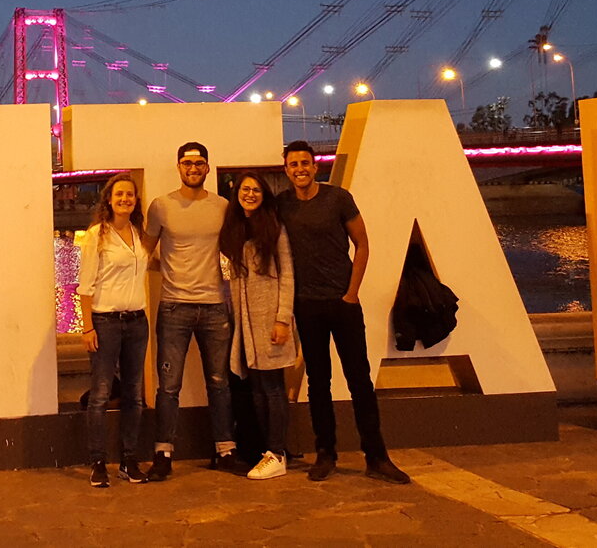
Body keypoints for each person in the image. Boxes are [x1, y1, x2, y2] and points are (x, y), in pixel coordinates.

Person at [276, 139, 410, 484]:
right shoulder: (283, 205)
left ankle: (377, 457)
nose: (300, 169)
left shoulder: (338, 198)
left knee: (360, 381)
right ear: (286, 169)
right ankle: (326, 454)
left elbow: (362, 243)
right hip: (306, 305)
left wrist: (351, 294)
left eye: (305, 163)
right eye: (294, 164)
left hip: (343, 303)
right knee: (318, 383)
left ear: (314, 166)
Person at [143, 141, 239, 480]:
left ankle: (225, 451)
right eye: (187, 164)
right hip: (174, 306)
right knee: (168, 386)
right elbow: (144, 252)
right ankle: (163, 454)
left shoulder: (223, 206)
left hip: (216, 306)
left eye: (199, 164)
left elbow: (237, 249)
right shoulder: (161, 206)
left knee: (220, 383)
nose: (193, 169)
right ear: (178, 167)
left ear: (208, 168)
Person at [75, 174, 152, 488]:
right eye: (119, 194)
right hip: (106, 322)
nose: (125, 199)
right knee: (101, 394)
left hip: (137, 321)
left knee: (134, 394)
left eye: (130, 195)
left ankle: (129, 460)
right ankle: (98, 461)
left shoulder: (138, 233)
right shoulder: (97, 235)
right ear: (109, 199)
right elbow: (85, 285)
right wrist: (88, 326)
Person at [219, 173, 296, 480]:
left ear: (264, 195)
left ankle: (277, 453)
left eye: (256, 190)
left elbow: (288, 274)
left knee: (273, 388)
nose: (250, 194)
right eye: (245, 189)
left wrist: (282, 318)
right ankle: (267, 450)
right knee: (258, 389)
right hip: (245, 322)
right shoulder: (234, 229)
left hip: (269, 319)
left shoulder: (274, 228)